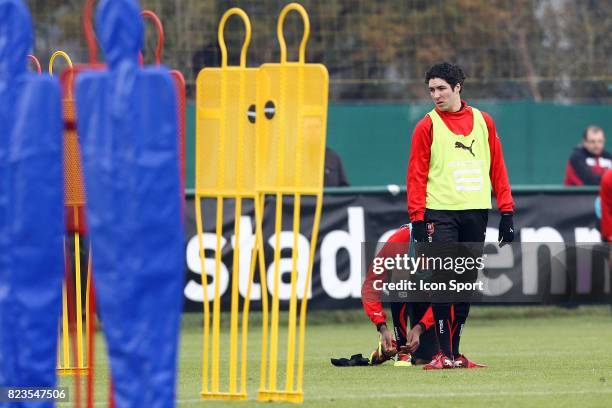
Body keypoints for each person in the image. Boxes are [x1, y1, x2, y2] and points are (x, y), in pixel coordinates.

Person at [407, 62, 515, 369]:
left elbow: (498, 168)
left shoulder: (484, 122)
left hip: (475, 214)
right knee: (443, 282)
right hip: (439, 213)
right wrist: (417, 219)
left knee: (465, 283)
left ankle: (455, 354)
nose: (436, 95)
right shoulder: (426, 126)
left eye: (441, 88)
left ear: (458, 88)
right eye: (431, 90)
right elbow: (415, 176)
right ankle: (442, 353)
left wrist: (506, 211)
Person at [361, 225, 438, 366]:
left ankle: (397, 346)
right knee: (400, 273)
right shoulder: (398, 241)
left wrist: (420, 327)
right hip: (408, 288)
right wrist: (381, 326)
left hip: (432, 297)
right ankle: (401, 347)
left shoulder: (450, 244)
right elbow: (370, 285)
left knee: (425, 360)